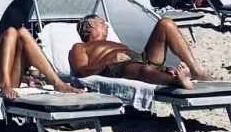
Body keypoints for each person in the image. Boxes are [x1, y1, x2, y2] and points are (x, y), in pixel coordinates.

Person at [69, 13, 217, 86]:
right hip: (117, 66)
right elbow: (81, 70)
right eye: (102, 23)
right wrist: (108, 63)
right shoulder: (80, 47)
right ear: (90, 25)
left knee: (165, 23)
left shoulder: (112, 42)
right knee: (144, 71)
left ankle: (196, 71)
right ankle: (177, 81)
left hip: (140, 58)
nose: (107, 26)